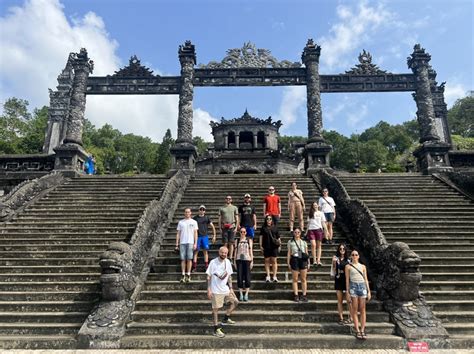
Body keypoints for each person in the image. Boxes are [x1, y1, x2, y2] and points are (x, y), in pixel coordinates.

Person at [206, 246, 239, 338]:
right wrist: (209, 289)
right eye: (222, 252)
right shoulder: (213, 262)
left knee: (235, 302)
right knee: (215, 310)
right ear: (219, 252)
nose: (224, 254)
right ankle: (216, 329)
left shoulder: (227, 262)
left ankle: (226, 318)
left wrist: (231, 288)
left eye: (225, 253)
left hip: (225, 289)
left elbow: (229, 276)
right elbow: (208, 276)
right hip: (215, 290)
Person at [345, 249, 371, 340]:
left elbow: (366, 279)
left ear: (358, 256)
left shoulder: (363, 266)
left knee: (363, 309)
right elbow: (347, 280)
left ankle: (363, 329)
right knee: (355, 309)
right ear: (351, 256)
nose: (354, 256)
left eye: (356, 255)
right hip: (353, 286)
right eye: (353, 255)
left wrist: (369, 291)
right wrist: (347, 292)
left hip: (362, 286)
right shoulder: (348, 266)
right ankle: (357, 330)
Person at [175, 208, 198, 283]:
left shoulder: (194, 222)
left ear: (190, 213)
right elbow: (178, 233)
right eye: (186, 212)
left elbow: (195, 233)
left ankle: (188, 274)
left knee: (189, 259)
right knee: (183, 259)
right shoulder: (181, 222)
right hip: (182, 242)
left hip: (190, 242)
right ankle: (183, 274)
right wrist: (176, 244)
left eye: (188, 212)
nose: (187, 213)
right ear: (184, 213)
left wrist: (195, 243)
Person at [286, 227, 309, 302]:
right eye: (295, 232)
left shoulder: (304, 242)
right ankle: (296, 295)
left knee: (303, 278)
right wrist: (288, 262)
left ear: (300, 233)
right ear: (293, 233)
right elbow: (289, 253)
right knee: (295, 279)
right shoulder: (290, 242)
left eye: (298, 232)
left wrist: (308, 262)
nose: (297, 234)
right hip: (294, 259)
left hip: (302, 259)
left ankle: (304, 294)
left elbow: (306, 253)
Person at [192, 205, 216, 272]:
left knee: (205, 252)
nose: (202, 210)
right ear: (198, 210)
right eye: (200, 209)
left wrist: (214, 235)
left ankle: (206, 266)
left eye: (203, 209)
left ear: (205, 211)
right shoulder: (195, 218)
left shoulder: (207, 218)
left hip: (205, 236)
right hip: (198, 236)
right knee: (196, 252)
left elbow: (212, 226)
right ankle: (194, 266)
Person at [332, 243, 351, 325]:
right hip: (338, 279)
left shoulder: (349, 260)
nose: (342, 250)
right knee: (340, 300)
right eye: (340, 249)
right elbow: (334, 270)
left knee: (349, 300)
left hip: (347, 280)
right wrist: (333, 263)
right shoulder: (336, 259)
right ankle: (341, 317)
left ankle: (350, 317)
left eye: (343, 249)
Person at [234, 227, 253, 301]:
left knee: (247, 278)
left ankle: (246, 294)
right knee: (240, 277)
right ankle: (241, 294)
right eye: (241, 232)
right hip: (239, 260)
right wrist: (234, 261)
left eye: (244, 232)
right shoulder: (237, 240)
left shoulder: (249, 240)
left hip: (247, 259)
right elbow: (235, 251)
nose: (243, 233)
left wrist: (252, 260)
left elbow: (251, 251)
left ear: (246, 232)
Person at [259, 215, 281, 282]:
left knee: (274, 261)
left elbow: (278, 237)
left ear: (272, 220)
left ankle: (274, 276)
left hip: (274, 246)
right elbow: (261, 237)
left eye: (270, 219)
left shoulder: (275, 227)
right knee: (267, 261)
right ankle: (268, 275)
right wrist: (260, 245)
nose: (269, 220)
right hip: (266, 246)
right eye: (267, 219)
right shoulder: (263, 228)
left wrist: (280, 245)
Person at [218, 196, 239, 262]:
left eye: (229, 199)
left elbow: (237, 218)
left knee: (231, 242)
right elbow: (219, 219)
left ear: (231, 200)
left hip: (232, 226)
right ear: (225, 199)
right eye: (227, 198)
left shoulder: (234, 207)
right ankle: (225, 256)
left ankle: (230, 257)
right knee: (225, 243)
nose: (228, 200)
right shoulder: (221, 208)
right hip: (224, 227)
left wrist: (236, 227)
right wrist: (219, 227)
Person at [307, 202, 327, 266]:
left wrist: (326, 230)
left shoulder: (321, 213)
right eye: (313, 205)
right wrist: (306, 232)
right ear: (312, 206)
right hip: (311, 230)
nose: (315, 206)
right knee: (313, 245)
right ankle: (314, 260)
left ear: (318, 206)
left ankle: (318, 260)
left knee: (319, 245)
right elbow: (308, 223)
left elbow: (323, 222)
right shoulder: (310, 213)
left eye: (316, 205)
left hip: (319, 229)